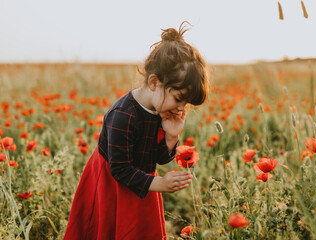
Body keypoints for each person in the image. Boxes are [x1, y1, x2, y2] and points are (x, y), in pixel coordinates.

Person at [63, 21, 209, 240]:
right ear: (153, 82)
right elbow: (120, 169)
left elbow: (156, 159)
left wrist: (171, 136)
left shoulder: (161, 110)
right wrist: (160, 183)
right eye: (179, 98)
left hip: (142, 182)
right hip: (112, 186)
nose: (181, 108)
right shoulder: (123, 115)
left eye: (187, 103)